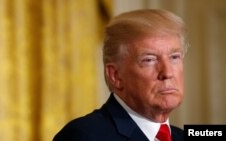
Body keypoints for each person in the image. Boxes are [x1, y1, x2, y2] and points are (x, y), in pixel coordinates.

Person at [53, 9, 188, 141]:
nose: (167, 73)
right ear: (115, 76)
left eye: (174, 57)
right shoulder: (83, 136)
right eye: (149, 60)